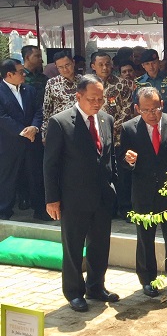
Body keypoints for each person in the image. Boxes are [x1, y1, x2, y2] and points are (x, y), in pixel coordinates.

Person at [43, 74, 119, 312]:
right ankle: (74, 291)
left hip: (102, 196)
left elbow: (108, 157)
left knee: (100, 245)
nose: (97, 103)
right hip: (73, 197)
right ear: (78, 96)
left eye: (101, 99)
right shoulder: (61, 122)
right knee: (74, 247)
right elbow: (50, 164)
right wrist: (52, 198)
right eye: (92, 99)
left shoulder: (106, 119)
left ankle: (96, 286)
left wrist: (113, 182)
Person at [120, 87, 167, 297]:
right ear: (137, 109)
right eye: (146, 110)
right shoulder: (129, 129)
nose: (152, 114)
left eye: (156, 108)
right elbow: (123, 164)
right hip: (144, 192)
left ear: (163, 105)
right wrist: (128, 160)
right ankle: (148, 279)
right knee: (145, 238)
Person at [90, 51, 134, 220]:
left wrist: (109, 128)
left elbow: (127, 110)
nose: (105, 67)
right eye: (100, 64)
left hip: (117, 137)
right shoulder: (88, 85)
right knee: (101, 174)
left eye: (107, 64)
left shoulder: (122, 85)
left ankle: (125, 208)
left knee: (121, 175)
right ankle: (107, 208)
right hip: (94, 138)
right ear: (93, 66)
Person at [0, 59, 46, 220]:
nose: (24, 74)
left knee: (36, 176)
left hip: (32, 141)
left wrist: (34, 127)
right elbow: (2, 117)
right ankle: (4, 211)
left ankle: (40, 210)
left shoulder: (29, 90)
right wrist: (22, 131)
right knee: (8, 178)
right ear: (9, 74)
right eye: (20, 72)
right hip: (10, 143)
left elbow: (38, 111)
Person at [41, 50, 82, 141]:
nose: (65, 70)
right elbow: (47, 110)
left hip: (81, 127)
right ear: (56, 67)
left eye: (67, 65)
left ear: (73, 63)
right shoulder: (52, 83)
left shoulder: (84, 81)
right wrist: (44, 133)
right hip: (60, 128)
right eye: (60, 67)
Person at [134, 49, 167, 118]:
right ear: (143, 65)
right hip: (146, 121)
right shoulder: (139, 83)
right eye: (147, 64)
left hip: (166, 120)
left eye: (154, 63)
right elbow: (136, 107)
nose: (151, 66)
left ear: (158, 62)